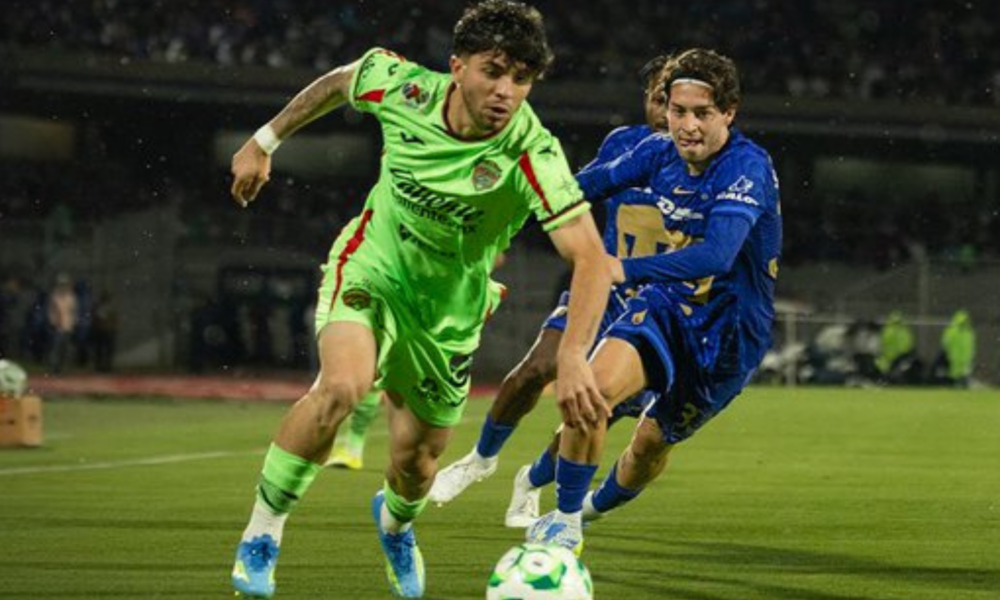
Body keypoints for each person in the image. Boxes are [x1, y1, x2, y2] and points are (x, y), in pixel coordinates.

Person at [227, 2, 615, 598]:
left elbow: (590, 259)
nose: (506, 92)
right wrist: (264, 140)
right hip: (372, 267)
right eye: (493, 71)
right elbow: (340, 82)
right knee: (342, 388)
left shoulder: (532, 152)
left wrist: (572, 356)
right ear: (457, 66)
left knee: (418, 463)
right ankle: (262, 533)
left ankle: (395, 525)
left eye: (521, 79)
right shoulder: (403, 87)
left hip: (448, 314)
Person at [518, 48, 782, 552]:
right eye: (678, 111)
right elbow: (575, 190)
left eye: (702, 113)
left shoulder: (746, 167)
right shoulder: (658, 152)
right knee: (592, 395)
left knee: (649, 444)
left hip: (730, 334)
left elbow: (717, 255)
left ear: (729, 113)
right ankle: (564, 521)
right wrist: (504, 198)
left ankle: (590, 509)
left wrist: (619, 268)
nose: (687, 126)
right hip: (665, 308)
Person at [428, 55, 671, 525]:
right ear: (647, 100)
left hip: (659, 307)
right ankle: (479, 459)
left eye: (674, 103)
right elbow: (569, 193)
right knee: (537, 367)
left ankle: (532, 481)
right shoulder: (626, 144)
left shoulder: (710, 164)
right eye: (658, 100)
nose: (665, 113)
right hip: (605, 292)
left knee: (592, 411)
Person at [932, 309, 975, 387]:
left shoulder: (965, 332)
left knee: (957, 379)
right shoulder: (967, 332)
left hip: (960, 361)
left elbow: (945, 343)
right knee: (954, 379)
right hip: (955, 360)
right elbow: (946, 344)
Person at [46, 273, 77, 374]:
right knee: (56, 348)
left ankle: (65, 368)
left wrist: (73, 323)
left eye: (65, 284)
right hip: (57, 327)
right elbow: (51, 311)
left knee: (66, 349)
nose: (63, 286)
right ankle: (54, 367)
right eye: (61, 284)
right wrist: (53, 322)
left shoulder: (71, 296)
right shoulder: (54, 296)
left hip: (68, 326)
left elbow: (73, 311)